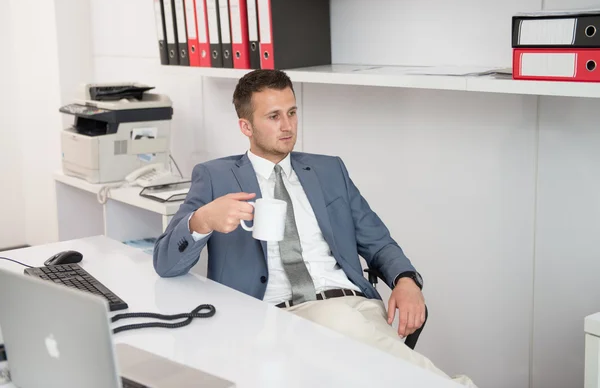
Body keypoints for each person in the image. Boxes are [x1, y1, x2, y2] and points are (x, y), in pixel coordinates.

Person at [153, 69, 477, 387]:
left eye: (292, 113)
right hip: (276, 314)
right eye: (274, 116)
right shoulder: (215, 177)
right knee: (343, 329)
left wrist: (406, 280)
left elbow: (377, 241)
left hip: (357, 306)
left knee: (351, 338)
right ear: (246, 126)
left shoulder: (329, 170)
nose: (288, 126)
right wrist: (202, 221)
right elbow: (165, 263)